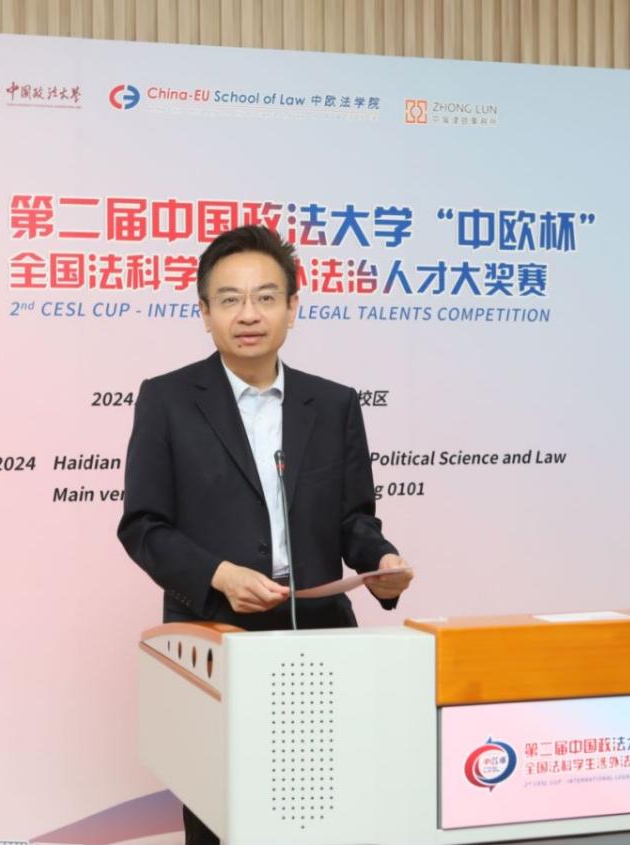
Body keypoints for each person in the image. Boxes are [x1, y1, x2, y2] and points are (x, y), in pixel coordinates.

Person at [117, 224, 413, 844]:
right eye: (229, 299)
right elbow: (143, 526)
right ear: (205, 312)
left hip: (321, 637)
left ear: (292, 307)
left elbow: (354, 519)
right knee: (220, 811)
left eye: (265, 297)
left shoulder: (333, 404)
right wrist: (218, 575)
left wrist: (381, 561)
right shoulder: (167, 400)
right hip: (214, 637)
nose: (248, 314)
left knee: (331, 809)